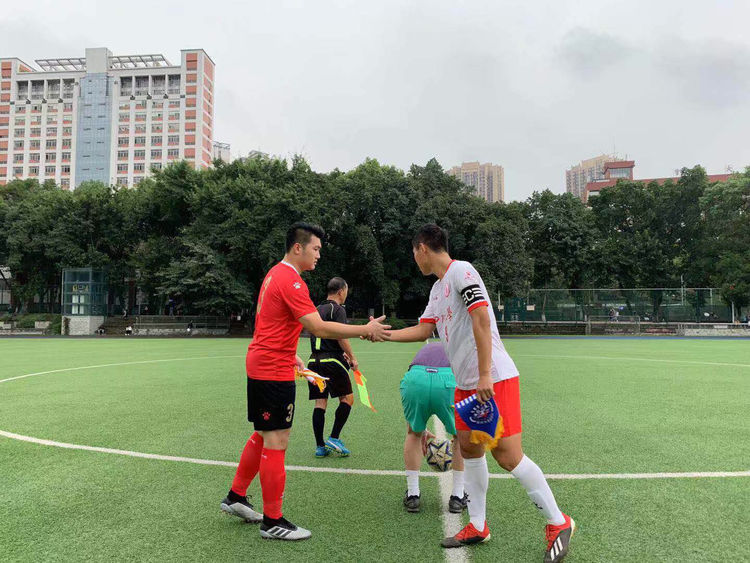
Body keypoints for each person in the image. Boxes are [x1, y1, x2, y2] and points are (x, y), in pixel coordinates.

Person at [376, 224, 574, 562]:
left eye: (413, 252)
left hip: (493, 378)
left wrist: (484, 375)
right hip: (466, 383)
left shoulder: (462, 271)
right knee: (469, 449)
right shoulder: (437, 288)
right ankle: (478, 525)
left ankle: (559, 522)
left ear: (422, 248)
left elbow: (481, 319)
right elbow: (425, 330)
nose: (414, 259)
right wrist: (384, 334)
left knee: (508, 457)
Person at [220, 222, 390, 542]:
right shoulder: (290, 280)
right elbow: (318, 327)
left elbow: (272, 323)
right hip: (271, 370)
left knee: (264, 433)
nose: (318, 255)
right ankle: (273, 521)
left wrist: (291, 355)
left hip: (269, 362)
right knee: (277, 439)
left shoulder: (276, 273)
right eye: (316, 248)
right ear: (298, 247)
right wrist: (364, 330)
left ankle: (236, 496)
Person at [401, 341, 466, 514]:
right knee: (461, 437)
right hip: (447, 380)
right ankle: (457, 497)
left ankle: (413, 495)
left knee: (413, 433)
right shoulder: (459, 345)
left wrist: (419, 430)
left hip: (415, 380)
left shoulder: (427, 348)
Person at [307, 277, 357, 458]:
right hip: (332, 362)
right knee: (347, 399)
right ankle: (334, 437)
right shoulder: (338, 309)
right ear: (341, 291)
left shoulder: (315, 309)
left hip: (314, 361)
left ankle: (320, 447)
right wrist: (352, 357)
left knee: (320, 402)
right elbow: (341, 336)